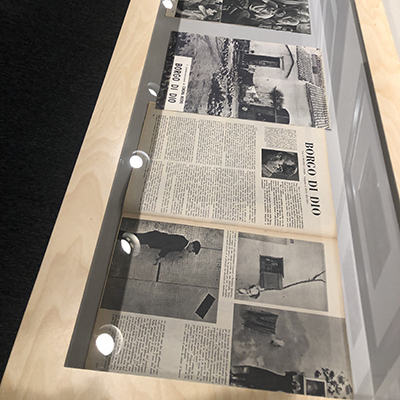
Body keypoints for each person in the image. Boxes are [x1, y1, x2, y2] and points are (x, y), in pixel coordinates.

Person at [134, 230, 201, 264]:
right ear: (191, 244)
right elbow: (167, 248)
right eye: (192, 250)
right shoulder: (181, 245)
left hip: (156, 236)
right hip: (155, 239)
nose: (190, 252)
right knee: (135, 239)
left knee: (135, 237)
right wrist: (159, 257)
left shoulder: (183, 240)